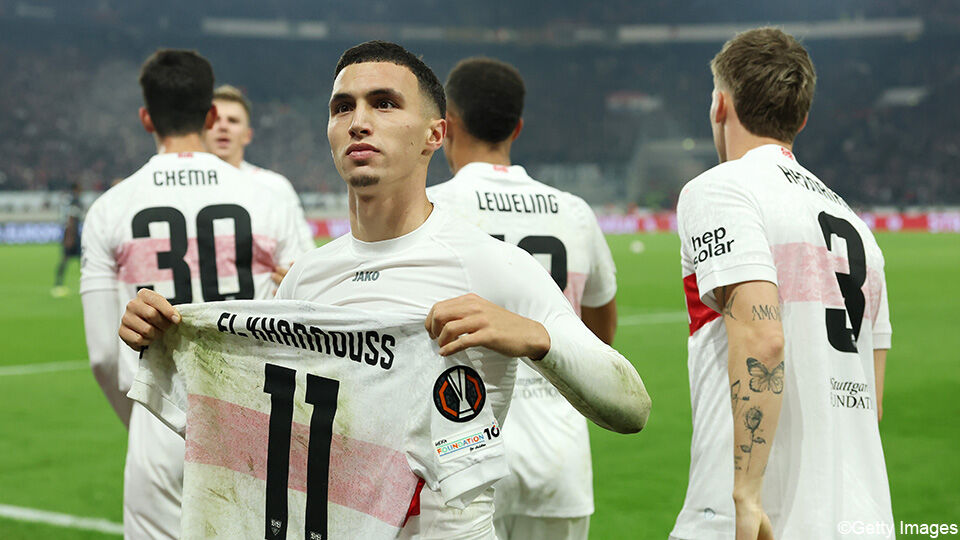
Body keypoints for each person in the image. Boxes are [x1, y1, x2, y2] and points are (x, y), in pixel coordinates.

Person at [120, 40, 651, 539]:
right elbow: (273, 431)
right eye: (342, 107)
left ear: (435, 135)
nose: (359, 121)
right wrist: (167, 334)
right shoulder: (308, 279)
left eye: (385, 103)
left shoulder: (495, 266)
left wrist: (536, 337)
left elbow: (632, 408)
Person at [670, 27, 893, 540]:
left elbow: (763, 339)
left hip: (760, 519)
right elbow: (871, 401)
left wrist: (746, 495)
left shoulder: (721, 189)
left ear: (720, 105)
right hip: (862, 515)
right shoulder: (858, 228)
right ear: (802, 118)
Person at [80, 49, 309, 539]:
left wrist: (146, 415)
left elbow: (102, 353)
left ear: (146, 118)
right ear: (209, 116)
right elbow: (307, 320)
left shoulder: (110, 208)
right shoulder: (270, 199)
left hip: (160, 416)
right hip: (254, 417)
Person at [427, 57, 616, 540]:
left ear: (449, 123)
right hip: (558, 462)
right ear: (517, 127)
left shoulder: (429, 209)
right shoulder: (574, 212)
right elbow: (598, 342)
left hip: (461, 454)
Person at [204, 84, 315, 257]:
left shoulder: (275, 187)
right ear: (202, 131)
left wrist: (293, 269)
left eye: (233, 121)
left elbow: (306, 253)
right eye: (215, 120)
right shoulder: (185, 184)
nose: (223, 126)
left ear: (247, 135)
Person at [51, 182, 84, 297]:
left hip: (70, 233)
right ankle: (59, 284)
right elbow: (71, 219)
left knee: (67, 260)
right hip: (72, 234)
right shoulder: (75, 201)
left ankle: (58, 284)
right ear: (76, 189)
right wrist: (70, 237)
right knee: (80, 261)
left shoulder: (68, 200)